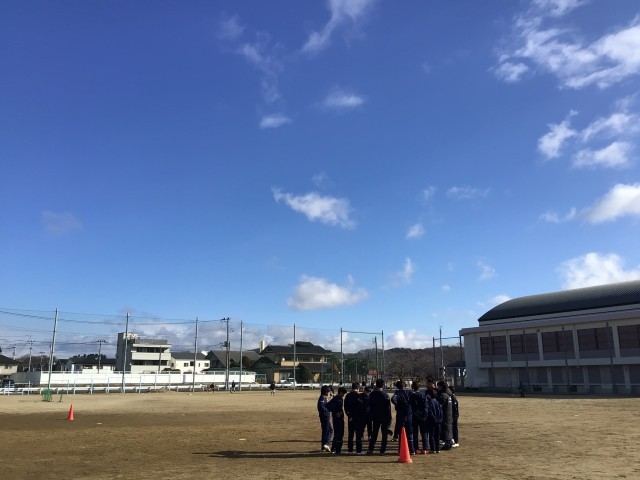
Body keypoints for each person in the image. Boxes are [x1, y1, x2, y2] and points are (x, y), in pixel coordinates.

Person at [367, 378, 392, 455]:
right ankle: (382, 450)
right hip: (384, 417)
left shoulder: (371, 394)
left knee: (374, 433)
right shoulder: (385, 395)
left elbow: (369, 406)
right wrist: (389, 419)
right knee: (384, 435)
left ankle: (370, 449)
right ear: (383, 385)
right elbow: (388, 409)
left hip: (375, 416)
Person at [391, 380, 415, 455]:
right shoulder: (410, 392)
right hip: (409, 414)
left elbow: (393, 399)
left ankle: (401, 449)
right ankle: (412, 449)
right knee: (410, 433)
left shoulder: (397, 393)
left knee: (402, 432)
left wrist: (397, 404)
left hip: (401, 414)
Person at [344, 382, 364, 454]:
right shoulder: (359, 396)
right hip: (358, 417)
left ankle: (350, 450)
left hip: (350, 417)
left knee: (351, 434)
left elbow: (345, 406)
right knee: (358, 434)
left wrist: (349, 415)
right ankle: (359, 450)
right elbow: (362, 407)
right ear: (358, 388)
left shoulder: (348, 396)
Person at [410, 381, 429, 454]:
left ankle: (416, 448)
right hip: (422, 416)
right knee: (424, 433)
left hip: (414, 416)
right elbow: (425, 406)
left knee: (415, 433)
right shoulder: (423, 395)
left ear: (412, 387)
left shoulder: (411, 396)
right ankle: (425, 448)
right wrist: (424, 415)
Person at [327, 386, 347, 454]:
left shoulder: (341, 399)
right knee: (338, 434)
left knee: (340, 433)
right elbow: (328, 406)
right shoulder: (335, 399)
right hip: (336, 419)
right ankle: (335, 449)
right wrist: (335, 412)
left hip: (341, 418)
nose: (343, 395)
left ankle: (337, 448)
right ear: (340, 392)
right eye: (343, 393)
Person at [437, 380, 453, 450]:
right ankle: (449, 443)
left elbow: (439, 404)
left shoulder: (443, 395)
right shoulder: (449, 394)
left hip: (445, 414)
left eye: (438, 387)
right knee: (448, 428)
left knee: (446, 429)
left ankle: (448, 444)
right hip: (449, 414)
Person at [426, 389, 442, 454]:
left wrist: (434, 419)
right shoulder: (437, 402)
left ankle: (433, 449)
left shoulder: (429, 402)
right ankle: (437, 448)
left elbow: (430, 412)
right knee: (437, 435)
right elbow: (441, 412)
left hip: (432, 421)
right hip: (438, 421)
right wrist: (440, 419)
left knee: (431, 435)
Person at [317, 385, 333, 452]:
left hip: (324, 416)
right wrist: (327, 410)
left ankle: (323, 446)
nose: (329, 393)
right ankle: (326, 443)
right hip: (325, 417)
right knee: (329, 430)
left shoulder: (324, 398)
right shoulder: (322, 398)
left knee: (325, 431)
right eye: (328, 391)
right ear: (326, 392)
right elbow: (321, 407)